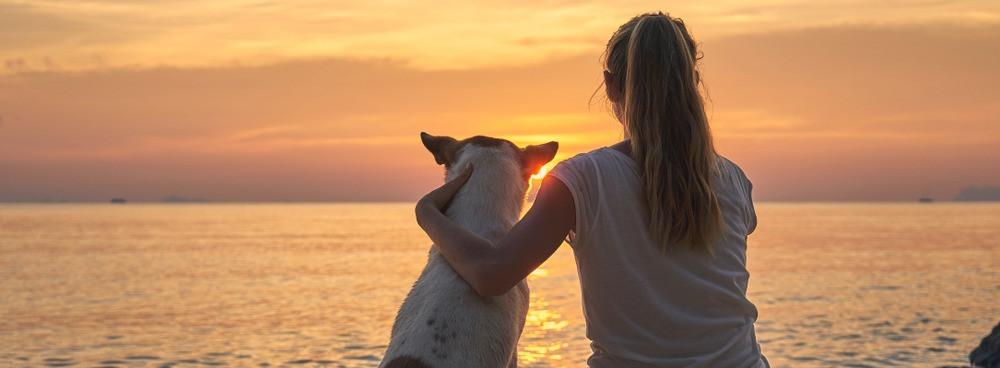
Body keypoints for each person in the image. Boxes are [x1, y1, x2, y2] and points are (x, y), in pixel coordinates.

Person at [415, 12, 767, 368]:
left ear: (610, 85)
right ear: (693, 82)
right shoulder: (735, 181)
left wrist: (427, 213)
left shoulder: (583, 179)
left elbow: (490, 274)